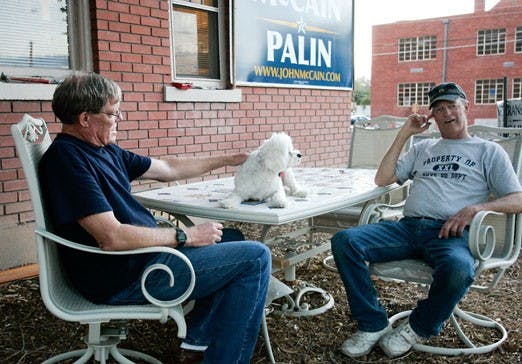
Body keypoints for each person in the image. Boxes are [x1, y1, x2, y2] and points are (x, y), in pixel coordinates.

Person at [38, 71, 271, 364]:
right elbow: (111, 238)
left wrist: (227, 159)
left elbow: (168, 169)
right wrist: (184, 236)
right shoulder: (67, 161)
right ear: (85, 119)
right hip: (125, 276)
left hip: (143, 259)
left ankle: (198, 343)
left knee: (231, 237)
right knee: (255, 258)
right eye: (113, 113)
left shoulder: (103, 149)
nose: (118, 119)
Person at [331, 82, 522, 358]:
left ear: (465, 107)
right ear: (432, 115)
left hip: (449, 234)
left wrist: (475, 209)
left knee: (459, 268)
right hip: (406, 229)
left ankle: (419, 326)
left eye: (452, 106)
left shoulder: (488, 151)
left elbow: (517, 199)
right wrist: (405, 133)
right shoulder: (424, 148)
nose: (446, 114)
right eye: (439, 109)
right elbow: (383, 178)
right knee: (345, 241)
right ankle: (372, 323)